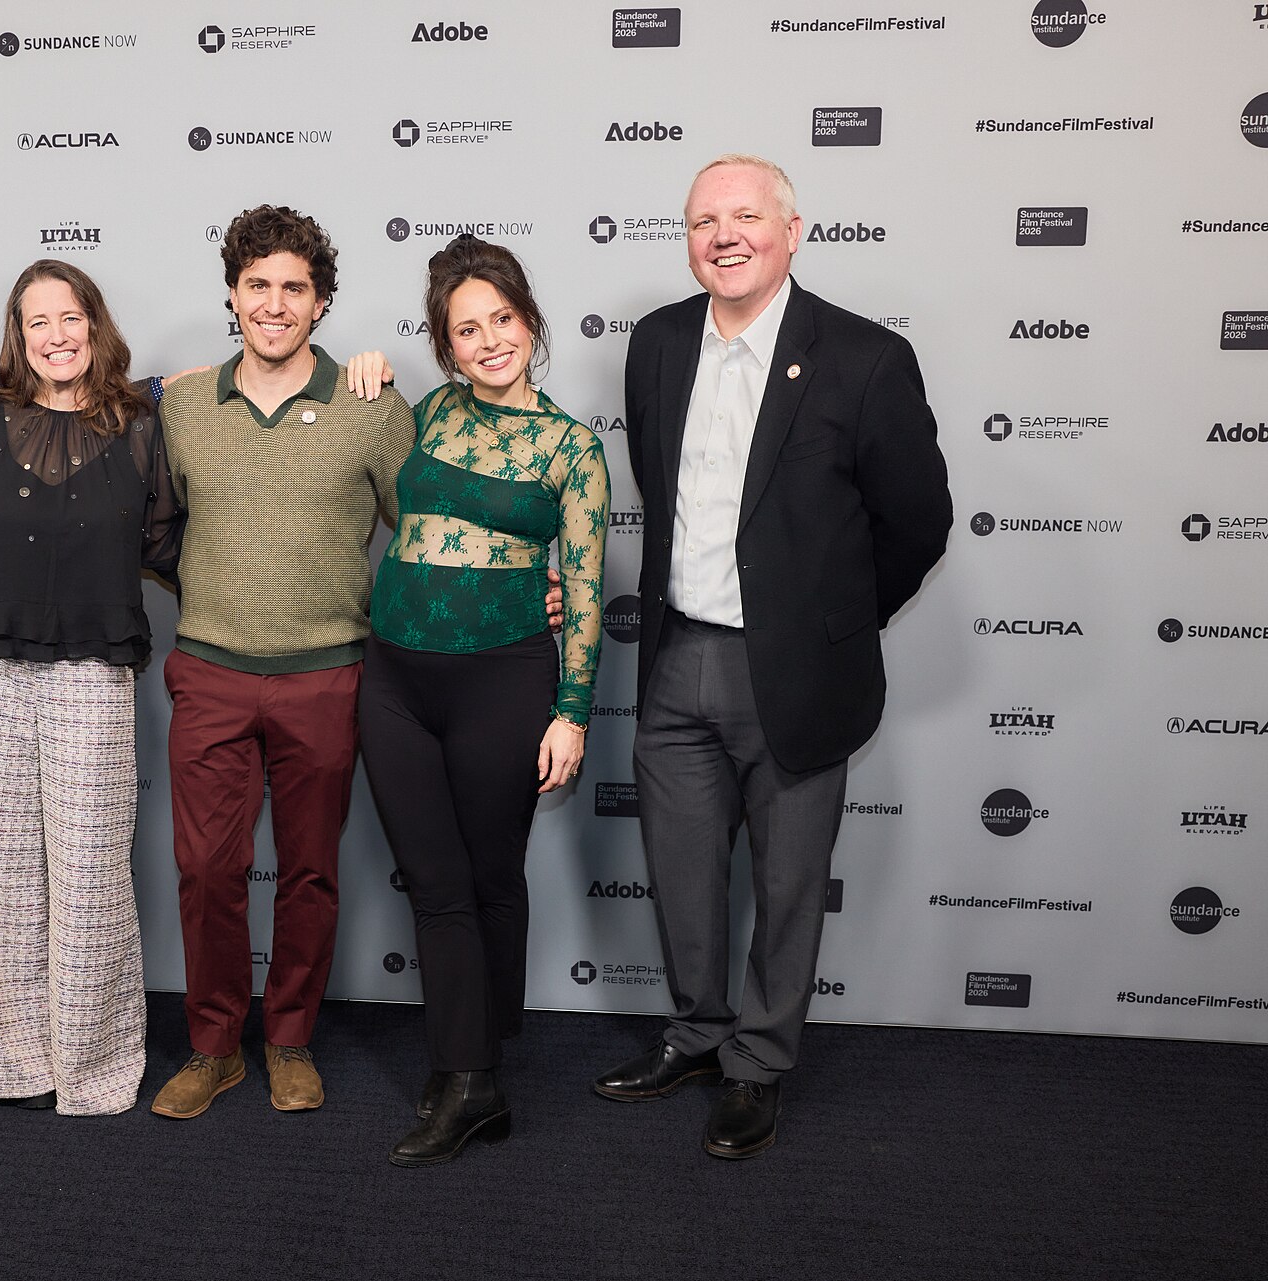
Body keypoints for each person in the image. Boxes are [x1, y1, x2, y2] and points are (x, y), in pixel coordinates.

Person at [596, 154, 951, 1158]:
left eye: (746, 215)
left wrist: (831, 623)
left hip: (791, 674)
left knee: (789, 883)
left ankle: (757, 1066)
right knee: (681, 872)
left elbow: (917, 521)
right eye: (705, 219)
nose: (725, 234)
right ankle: (698, 1034)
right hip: (674, 660)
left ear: (793, 231)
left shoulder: (865, 358)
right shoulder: (660, 342)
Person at [148, 205, 417, 1119]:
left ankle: (291, 1038)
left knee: (309, 869)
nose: (273, 303)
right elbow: (156, 531)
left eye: (293, 287)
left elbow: (424, 534)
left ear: (322, 300)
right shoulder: (182, 405)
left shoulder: (371, 408)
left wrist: (519, 584)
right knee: (208, 870)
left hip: (327, 674)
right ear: (232, 295)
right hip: (211, 670)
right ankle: (215, 1044)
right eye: (256, 285)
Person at [359, 235, 609, 1167]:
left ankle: (478, 1063)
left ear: (530, 322)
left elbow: (583, 590)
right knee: (435, 879)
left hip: (504, 676)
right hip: (394, 676)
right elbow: (398, 510)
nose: (489, 339)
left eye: (501, 318)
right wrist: (369, 376)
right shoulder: (422, 415)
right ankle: (471, 1072)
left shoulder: (572, 448)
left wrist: (573, 709)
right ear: (446, 345)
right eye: (467, 329)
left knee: (490, 874)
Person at [0, 260, 182, 1116]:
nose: (56, 335)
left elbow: (167, 545)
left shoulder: (144, 425)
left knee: (89, 872)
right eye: (36, 321)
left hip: (93, 668)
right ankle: (8, 1063)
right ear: (18, 334)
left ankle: (93, 1065)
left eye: (69, 316)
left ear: (94, 322)